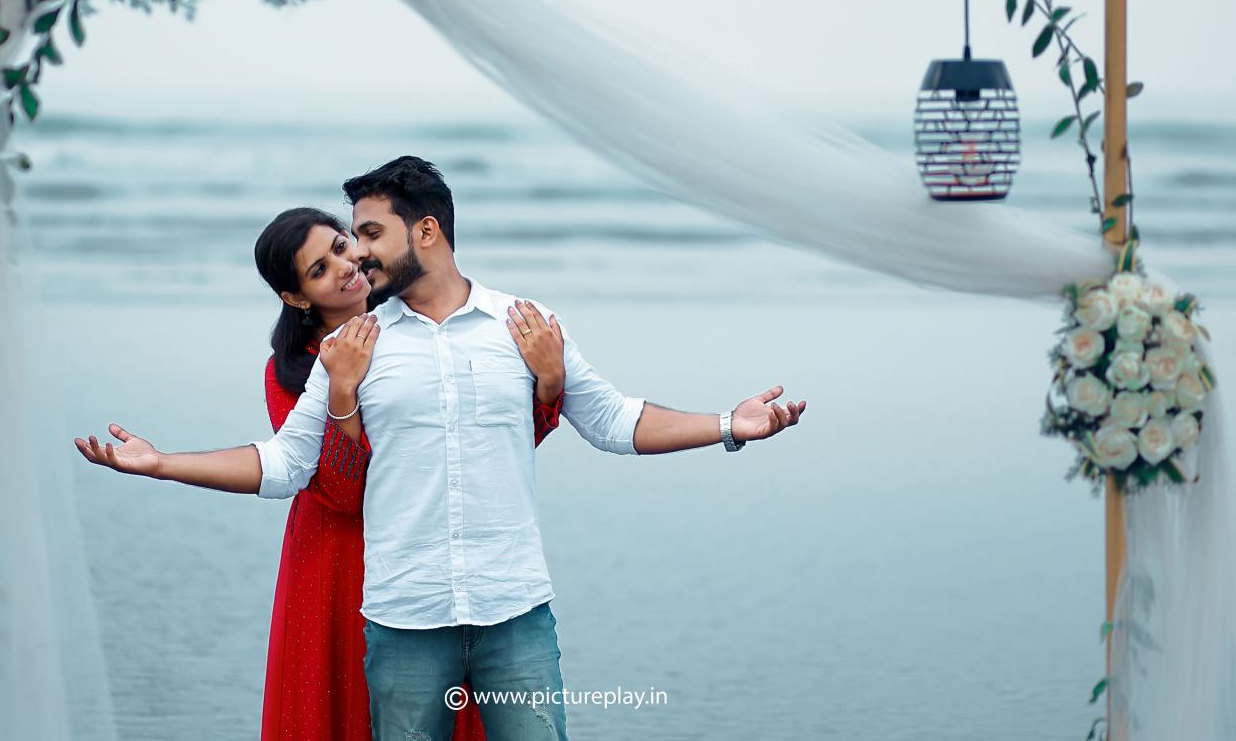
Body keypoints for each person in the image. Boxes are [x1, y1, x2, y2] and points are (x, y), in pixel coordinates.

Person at [75, 156, 806, 741]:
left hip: (515, 612)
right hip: (403, 620)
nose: (358, 253)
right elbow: (285, 464)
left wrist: (727, 423)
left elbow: (614, 420)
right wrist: (163, 463)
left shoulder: (526, 324)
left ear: (426, 231)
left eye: (368, 233)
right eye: (347, 240)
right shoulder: (351, 347)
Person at [252, 206, 564, 741]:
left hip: (434, 547)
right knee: (352, 706)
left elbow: (485, 446)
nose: (345, 266)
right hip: (337, 555)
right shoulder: (293, 371)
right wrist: (343, 392)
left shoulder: (418, 325)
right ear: (296, 297)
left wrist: (549, 384)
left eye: (341, 245)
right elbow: (342, 494)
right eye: (319, 270)